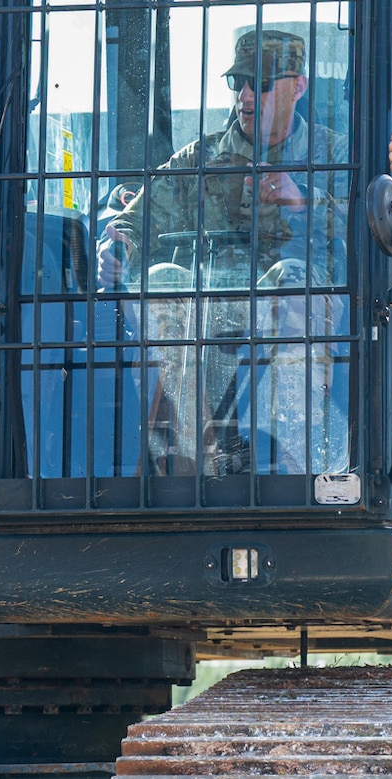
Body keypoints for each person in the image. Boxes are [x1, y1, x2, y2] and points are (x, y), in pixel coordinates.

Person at [98, 30, 349, 476]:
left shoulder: (335, 155)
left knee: (294, 278)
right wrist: (118, 246)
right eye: (239, 83)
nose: (247, 95)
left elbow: (376, 231)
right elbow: (134, 220)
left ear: (299, 86)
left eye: (262, 82)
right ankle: (184, 461)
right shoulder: (200, 159)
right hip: (210, 309)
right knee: (161, 280)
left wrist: (303, 201)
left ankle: (296, 464)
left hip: (293, 311)